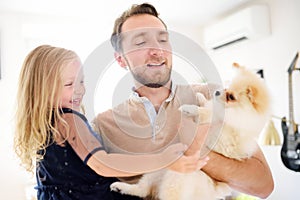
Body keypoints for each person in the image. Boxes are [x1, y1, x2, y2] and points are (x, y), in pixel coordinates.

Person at [93, 3, 274, 199]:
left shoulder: (215, 97)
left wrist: (196, 151)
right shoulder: (103, 125)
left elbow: (263, 186)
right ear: (120, 59)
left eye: (163, 40)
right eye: (141, 43)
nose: (157, 50)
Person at [14, 45, 207, 200]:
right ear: (42, 90)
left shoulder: (44, 127)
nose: (79, 90)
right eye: (69, 84)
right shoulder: (69, 119)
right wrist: (161, 159)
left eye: (81, 81)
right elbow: (102, 164)